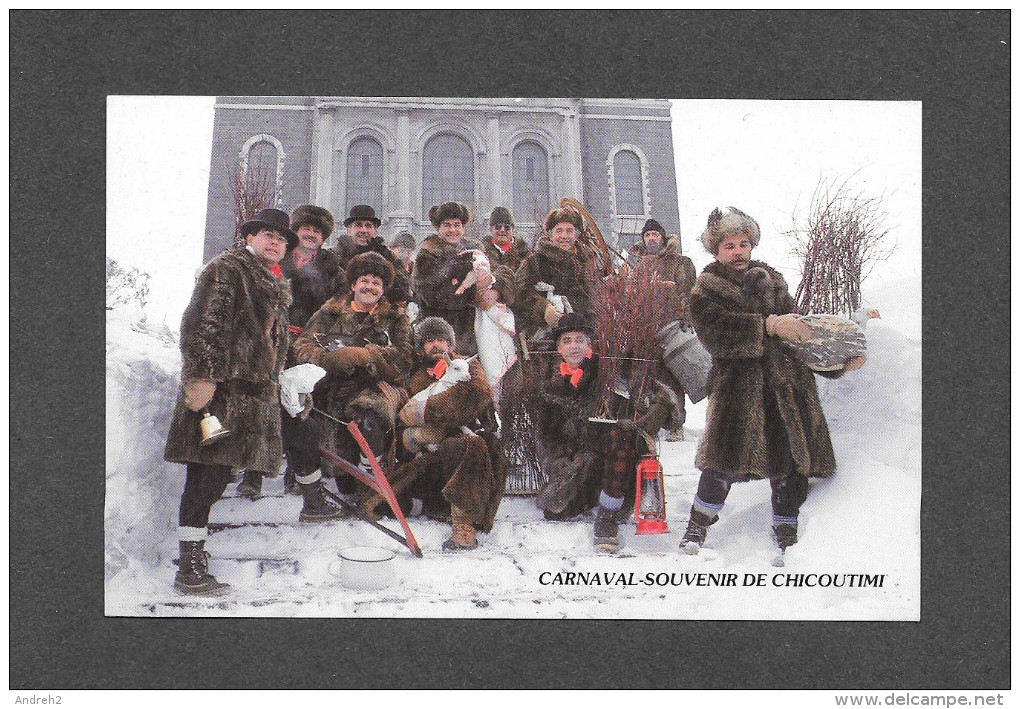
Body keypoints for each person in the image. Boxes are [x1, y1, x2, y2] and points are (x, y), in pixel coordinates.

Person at [682, 207, 866, 556]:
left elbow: (800, 337)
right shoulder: (705, 291)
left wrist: (838, 363)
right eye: (729, 246)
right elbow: (714, 335)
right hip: (739, 390)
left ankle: (787, 530)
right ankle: (697, 526)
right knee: (721, 464)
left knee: (789, 463)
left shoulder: (774, 282)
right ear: (716, 251)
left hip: (786, 385)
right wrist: (765, 325)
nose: (738, 252)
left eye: (743, 243)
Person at [163, 207, 296, 595]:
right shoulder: (228, 269)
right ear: (250, 237)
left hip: (247, 398)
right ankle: (188, 568)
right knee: (205, 475)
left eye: (282, 239)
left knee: (217, 475)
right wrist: (203, 376)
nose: (276, 243)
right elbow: (203, 323)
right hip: (217, 396)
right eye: (268, 235)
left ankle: (193, 553)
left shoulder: (270, 281)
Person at [290, 252, 413, 522]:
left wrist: (369, 357)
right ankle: (325, 485)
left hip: (376, 388)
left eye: (376, 283)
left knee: (372, 420)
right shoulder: (329, 312)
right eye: (365, 280)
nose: (370, 287)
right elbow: (301, 346)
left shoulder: (396, 319)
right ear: (354, 284)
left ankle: (370, 487)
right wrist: (330, 359)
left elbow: (405, 359)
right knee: (305, 425)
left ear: (383, 289)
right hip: (331, 387)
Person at [534, 313, 673, 552]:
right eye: (567, 341)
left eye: (580, 340)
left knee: (618, 436)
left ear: (590, 345)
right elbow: (546, 438)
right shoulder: (550, 386)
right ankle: (588, 497)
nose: (574, 346)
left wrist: (641, 418)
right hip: (579, 467)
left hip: (616, 461)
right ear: (558, 348)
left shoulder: (609, 373)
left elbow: (662, 400)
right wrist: (559, 466)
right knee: (557, 512)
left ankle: (607, 516)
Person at [237, 204, 341, 499]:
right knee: (263, 403)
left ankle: (296, 475)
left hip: (307, 343)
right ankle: (253, 472)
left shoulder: (331, 268)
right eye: (306, 229)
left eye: (317, 231)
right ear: (296, 232)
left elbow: (334, 306)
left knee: (301, 407)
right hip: (270, 342)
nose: (311, 234)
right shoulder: (278, 261)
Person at [395, 316, 505, 551]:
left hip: (466, 449)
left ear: (450, 344)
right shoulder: (410, 375)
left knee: (463, 444)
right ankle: (432, 504)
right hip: (428, 459)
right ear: (420, 346)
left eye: (442, 340)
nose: (436, 345)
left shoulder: (467, 366)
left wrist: (428, 411)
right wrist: (414, 433)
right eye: (429, 340)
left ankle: (464, 526)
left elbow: (475, 396)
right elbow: (402, 416)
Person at [629, 219, 697, 442]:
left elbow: (688, 292)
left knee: (673, 377)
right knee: (647, 377)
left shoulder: (679, 263)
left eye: (655, 235)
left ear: (663, 237)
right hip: (644, 329)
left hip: (672, 327)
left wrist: (686, 316)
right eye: (647, 235)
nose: (651, 239)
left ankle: (676, 423)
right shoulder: (637, 265)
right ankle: (652, 423)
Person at [412, 201, 493, 356]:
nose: (453, 230)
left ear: (463, 227)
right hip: (437, 331)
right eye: (447, 225)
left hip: (468, 331)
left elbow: (491, 274)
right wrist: (471, 293)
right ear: (438, 228)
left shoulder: (474, 252)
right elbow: (431, 295)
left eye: (457, 225)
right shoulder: (427, 254)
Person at [511, 206, 597, 343]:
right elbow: (519, 295)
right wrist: (543, 309)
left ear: (576, 234)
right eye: (559, 231)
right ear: (550, 234)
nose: (564, 236)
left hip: (581, 340)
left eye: (569, 230)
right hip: (544, 341)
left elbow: (594, 302)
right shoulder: (535, 261)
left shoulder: (587, 262)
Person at [332, 205, 411, 306]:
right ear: (348, 230)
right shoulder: (334, 257)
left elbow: (403, 289)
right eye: (358, 225)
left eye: (368, 226)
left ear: (375, 231)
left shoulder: (388, 258)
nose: (363, 230)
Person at [482, 207, 530, 307]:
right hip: (489, 309)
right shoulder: (481, 253)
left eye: (507, 227)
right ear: (491, 229)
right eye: (498, 227)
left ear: (513, 230)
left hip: (520, 310)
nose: (502, 230)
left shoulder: (525, 254)